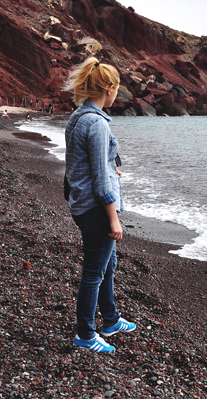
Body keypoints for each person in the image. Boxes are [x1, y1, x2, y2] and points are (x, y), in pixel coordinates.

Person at [64, 57, 135, 353]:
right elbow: (101, 182)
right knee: (94, 272)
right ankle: (85, 334)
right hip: (96, 208)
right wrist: (113, 219)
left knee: (109, 264)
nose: (117, 94)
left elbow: (83, 162)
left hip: (83, 201)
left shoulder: (80, 116)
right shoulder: (97, 122)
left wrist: (108, 164)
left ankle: (111, 320)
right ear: (109, 87)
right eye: (117, 88)